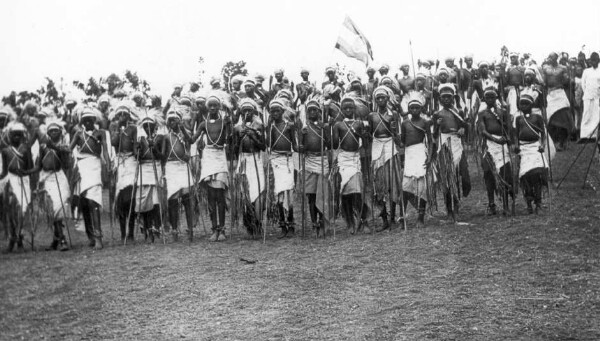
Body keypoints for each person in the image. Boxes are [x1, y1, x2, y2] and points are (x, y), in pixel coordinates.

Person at [70, 107, 112, 249]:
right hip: (82, 169)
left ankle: (99, 237)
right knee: (85, 203)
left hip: (94, 167)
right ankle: (91, 237)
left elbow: (105, 150)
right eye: (85, 120)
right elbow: (69, 149)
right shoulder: (78, 134)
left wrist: (108, 164)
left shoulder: (100, 133)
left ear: (94, 120)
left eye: (90, 120)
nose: (87, 122)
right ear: (82, 121)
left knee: (94, 202)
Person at [433, 83, 471, 221]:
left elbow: (465, 128)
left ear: (453, 98)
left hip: (457, 144)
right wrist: (436, 125)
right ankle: (450, 209)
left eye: (449, 97)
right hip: (445, 145)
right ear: (440, 99)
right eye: (444, 97)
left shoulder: (459, 112)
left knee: (463, 175)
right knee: (448, 179)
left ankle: (457, 204)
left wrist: (463, 130)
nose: (447, 100)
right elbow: (434, 134)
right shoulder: (437, 114)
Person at [332, 96, 369, 233]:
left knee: (358, 192)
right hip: (343, 160)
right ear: (341, 110)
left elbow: (365, 144)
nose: (348, 110)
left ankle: (363, 220)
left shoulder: (359, 123)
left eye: (350, 108)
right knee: (345, 194)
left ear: (355, 109)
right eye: (345, 108)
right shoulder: (338, 125)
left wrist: (364, 135)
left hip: (355, 159)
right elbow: (335, 145)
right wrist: (333, 132)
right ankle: (350, 222)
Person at [198, 95, 232, 241]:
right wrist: (182, 128)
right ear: (207, 107)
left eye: (215, 105)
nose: (212, 108)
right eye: (210, 105)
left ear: (219, 107)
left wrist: (230, 125)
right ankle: (214, 229)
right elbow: (192, 139)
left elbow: (229, 140)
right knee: (211, 196)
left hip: (219, 158)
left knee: (220, 196)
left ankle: (222, 230)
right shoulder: (203, 124)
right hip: (208, 158)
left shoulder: (224, 122)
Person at [368, 87, 402, 230]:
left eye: (383, 98)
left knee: (392, 184)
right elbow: (369, 135)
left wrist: (394, 130)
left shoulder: (393, 114)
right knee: (379, 185)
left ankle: (393, 216)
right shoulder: (372, 116)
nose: (381, 100)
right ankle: (384, 219)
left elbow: (398, 138)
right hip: (377, 149)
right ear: (375, 100)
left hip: (390, 147)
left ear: (387, 99)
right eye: (378, 98)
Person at [298, 99, 333, 236]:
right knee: (311, 195)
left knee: (322, 193)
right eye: (310, 110)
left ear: (319, 112)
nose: (312, 112)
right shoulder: (304, 128)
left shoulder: (323, 127)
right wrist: (302, 144)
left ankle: (323, 221)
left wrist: (326, 129)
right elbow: (301, 148)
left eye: (315, 110)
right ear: (307, 113)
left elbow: (330, 145)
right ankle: (314, 224)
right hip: (309, 162)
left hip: (322, 161)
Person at [477, 86, 515, 215]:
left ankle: (505, 205)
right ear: (484, 99)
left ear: (496, 98)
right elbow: (483, 131)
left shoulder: (502, 112)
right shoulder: (482, 114)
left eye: (492, 97)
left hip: (502, 144)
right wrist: (494, 139)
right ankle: (491, 204)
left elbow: (509, 128)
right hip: (489, 145)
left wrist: (508, 137)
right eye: (487, 97)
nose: (490, 99)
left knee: (504, 175)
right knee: (489, 174)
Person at [36, 119, 71, 251]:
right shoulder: (43, 148)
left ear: (60, 132)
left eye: (56, 130)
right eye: (51, 131)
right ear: (48, 133)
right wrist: (25, 173)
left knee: (59, 206)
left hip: (59, 177)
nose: (54, 133)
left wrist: (57, 149)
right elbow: (38, 166)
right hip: (47, 178)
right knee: (53, 208)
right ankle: (62, 240)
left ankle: (56, 241)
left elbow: (66, 165)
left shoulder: (63, 146)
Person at [162, 106, 196, 241]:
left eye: (175, 120)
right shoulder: (166, 137)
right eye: (170, 121)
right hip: (171, 168)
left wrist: (182, 129)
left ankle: (190, 229)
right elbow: (164, 155)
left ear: (180, 121)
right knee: (173, 201)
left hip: (183, 167)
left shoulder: (185, 133)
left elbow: (190, 141)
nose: (172, 123)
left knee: (187, 199)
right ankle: (174, 229)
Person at [234, 98, 266, 237]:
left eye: (249, 110)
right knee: (245, 194)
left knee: (258, 191)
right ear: (240, 112)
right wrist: (238, 140)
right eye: (244, 110)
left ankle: (258, 223)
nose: (247, 113)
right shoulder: (237, 128)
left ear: (254, 112)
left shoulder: (259, 125)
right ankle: (249, 225)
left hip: (256, 160)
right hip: (243, 161)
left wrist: (253, 136)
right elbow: (233, 151)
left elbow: (263, 146)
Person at [514, 91, 551, 213]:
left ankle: (538, 202)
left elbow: (543, 134)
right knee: (525, 177)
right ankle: (529, 203)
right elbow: (516, 135)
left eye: (526, 104)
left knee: (537, 175)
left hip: (535, 148)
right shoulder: (518, 119)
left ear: (531, 105)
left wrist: (543, 146)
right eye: (521, 104)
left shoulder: (538, 118)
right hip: (524, 150)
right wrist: (516, 145)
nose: (523, 106)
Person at [0, 123, 34, 253]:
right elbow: (4, 171)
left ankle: (19, 237)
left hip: (23, 181)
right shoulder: (5, 151)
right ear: (9, 136)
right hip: (11, 181)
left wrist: (27, 175)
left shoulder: (26, 149)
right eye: (14, 135)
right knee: (11, 210)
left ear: (22, 136)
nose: (16, 137)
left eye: (19, 135)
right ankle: (12, 238)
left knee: (22, 210)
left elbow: (30, 167)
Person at [401, 93, 433, 227]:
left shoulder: (425, 122)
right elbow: (402, 142)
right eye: (412, 108)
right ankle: (402, 217)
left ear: (421, 109)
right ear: (408, 109)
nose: (414, 110)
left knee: (422, 186)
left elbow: (430, 141)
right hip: (409, 154)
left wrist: (429, 157)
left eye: (417, 108)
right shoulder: (404, 123)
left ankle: (420, 216)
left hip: (420, 153)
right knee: (406, 186)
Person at [267, 98, 298, 238]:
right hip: (276, 161)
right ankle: (282, 224)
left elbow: (295, 145)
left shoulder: (290, 125)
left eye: (277, 110)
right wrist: (267, 127)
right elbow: (269, 144)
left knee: (290, 193)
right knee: (279, 194)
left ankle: (291, 223)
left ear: (283, 111)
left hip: (288, 160)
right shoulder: (272, 127)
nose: (274, 113)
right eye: (272, 111)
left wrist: (301, 146)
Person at [133, 109, 165, 243]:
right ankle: (146, 229)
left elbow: (162, 156)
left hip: (155, 168)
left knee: (155, 201)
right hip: (143, 170)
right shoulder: (140, 139)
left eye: (150, 125)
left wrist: (154, 148)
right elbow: (136, 156)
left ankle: (155, 228)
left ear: (155, 126)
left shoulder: (160, 138)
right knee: (143, 203)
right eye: (145, 126)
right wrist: (138, 151)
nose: (147, 128)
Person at [110, 104, 139, 243]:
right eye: (119, 114)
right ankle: (123, 234)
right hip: (119, 163)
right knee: (120, 199)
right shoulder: (114, 128)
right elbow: (113, 142)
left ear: (128, 115)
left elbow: (134, 149)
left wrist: (137, 148)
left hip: (131, 161)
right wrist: (118, 129)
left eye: (124, 114)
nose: (122, 116)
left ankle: (131, 233)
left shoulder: (133, 128)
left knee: (130, 198)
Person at [543, 52, 574, 150]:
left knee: (563, 118)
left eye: (553, 57)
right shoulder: (545, 69)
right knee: (550, 118)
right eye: (550, 57)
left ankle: (562, 142)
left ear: (556, 58)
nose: (551, 59)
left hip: (560, 94)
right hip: (551, 94)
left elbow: (566, 82)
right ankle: (553, 143)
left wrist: (568, 78)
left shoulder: (563, 68)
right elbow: (544, 83)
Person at [580, 52, 600, 141]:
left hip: (597, 97)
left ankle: (594, 136)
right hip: (588, 96)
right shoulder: (586, 71)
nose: (594, 63)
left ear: (598, 60)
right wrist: (587, 93)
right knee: (586, 115)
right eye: (592, 61)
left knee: (596, 116)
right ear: (590, 61)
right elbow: (583, 84)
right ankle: (585, 135)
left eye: (595, 61)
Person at [505, 52, 526, 118]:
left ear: (517, 58)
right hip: (512, 91)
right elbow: (506, 82)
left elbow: (525, 80)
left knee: (522, 107)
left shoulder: (523, 68)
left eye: (514, 57)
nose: (512, 59)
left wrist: (523, 87)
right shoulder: (509, 69)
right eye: (511, 57)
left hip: (521, 90)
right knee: (513, 108)